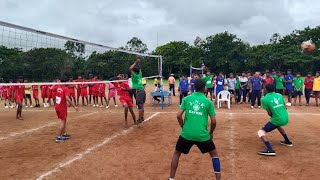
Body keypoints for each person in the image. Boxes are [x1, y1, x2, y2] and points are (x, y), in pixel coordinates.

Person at [169, 79, 221, 180]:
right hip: (202, 135)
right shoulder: (208, 102)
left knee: (176, 153)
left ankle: (171, 178)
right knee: (214, 154)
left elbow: (179, 115)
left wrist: (184, 127)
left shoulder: (187, 99)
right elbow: (214, 122)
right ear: (204, 89)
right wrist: (211, 133)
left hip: (186, 134)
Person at [257, 84, 292, 156]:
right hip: (285, 116)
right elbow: (285, 107)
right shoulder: (279, 95)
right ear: (274, 89)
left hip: (278, 119)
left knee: (261, 132)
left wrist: (274, 116)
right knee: (277, 125)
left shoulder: (264, 99)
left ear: (266, 90)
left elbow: (269, 113)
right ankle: (287, 141)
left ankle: (270, 150)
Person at [55, 76, 79, 142]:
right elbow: (67, 98)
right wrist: (74, 106)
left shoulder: (58, 87)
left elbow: (51, 88)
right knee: (62, 121)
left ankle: (64, 134)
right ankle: (59, 137)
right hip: (61, 107)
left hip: (58, 106)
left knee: (64, 120)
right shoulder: (65, 88)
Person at [129, 59, 146, 124]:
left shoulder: (135, 75)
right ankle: (142, 117)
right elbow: (140, 69)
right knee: (142, 105)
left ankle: (139, 119)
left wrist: (135, 62)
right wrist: (138, 64)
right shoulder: (140, 74)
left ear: (134, 72)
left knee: (139, 106)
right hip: (143, 90)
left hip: (139, 91)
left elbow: (130, 68)